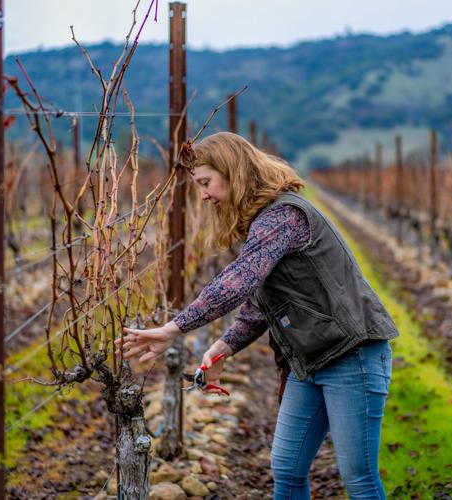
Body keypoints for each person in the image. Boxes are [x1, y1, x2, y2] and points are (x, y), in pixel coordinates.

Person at [117, 132, 398, 499]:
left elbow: (238, 280)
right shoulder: (266, 221)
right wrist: (222, 347)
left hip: (351, 355)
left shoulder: (283, 216)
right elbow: (261, 301)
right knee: (287, 467)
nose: (202, 195)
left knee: (358, 476)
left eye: (205, 183)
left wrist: (174, 328)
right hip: (311, 359)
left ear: (232, 171)